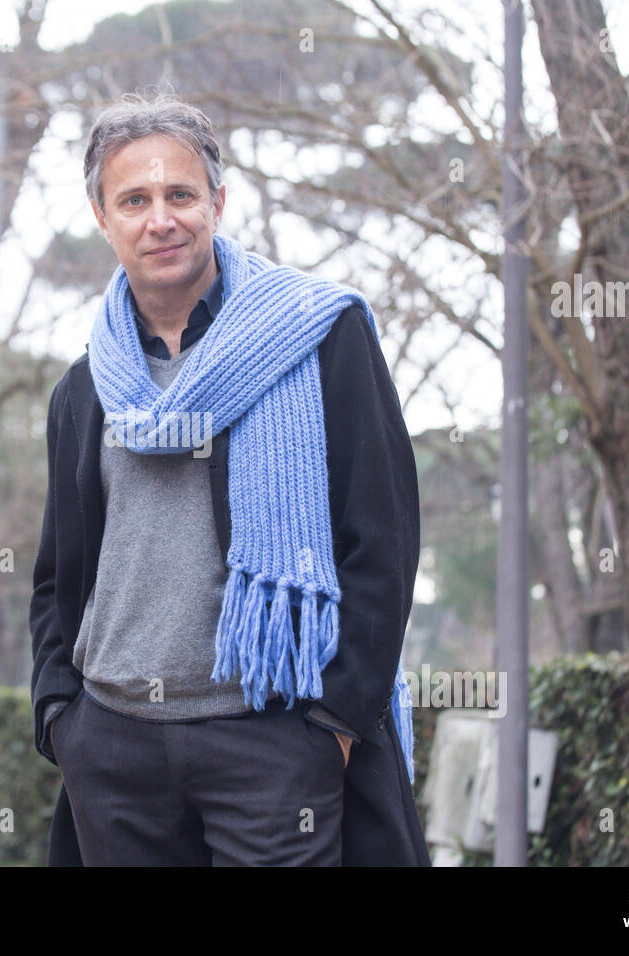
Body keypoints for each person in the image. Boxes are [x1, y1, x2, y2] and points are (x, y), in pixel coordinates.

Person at [29, 90, 429, 866]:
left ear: (217, 200)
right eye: (134, 199)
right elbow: (56, 579)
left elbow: (383, 540)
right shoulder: (86, 388)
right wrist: (59, 715)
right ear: (101, 217)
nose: (161, 218)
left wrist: (335, 728)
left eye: (180, 194)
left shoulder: (319, 337)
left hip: (272, 741)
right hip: (112, 747)